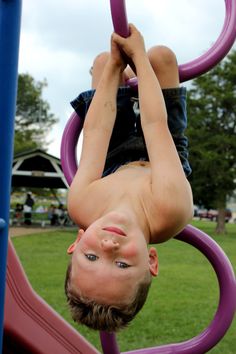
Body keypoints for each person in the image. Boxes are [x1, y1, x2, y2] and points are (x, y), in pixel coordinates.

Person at [65, 24, 193, 332]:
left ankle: (111, 67)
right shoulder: (169, 209)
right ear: (152, 260)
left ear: (78, 241)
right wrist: (137, 55)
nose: (108, 246)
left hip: (112, 159)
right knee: (161, 58)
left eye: (92, 256)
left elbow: (95, 132)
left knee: (101, 63)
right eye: (122, 264)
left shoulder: (82, 205)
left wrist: (114, 62)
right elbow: (155, 124)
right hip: (161, 157)